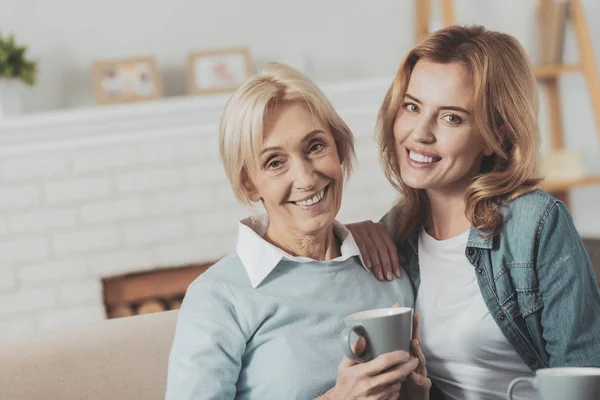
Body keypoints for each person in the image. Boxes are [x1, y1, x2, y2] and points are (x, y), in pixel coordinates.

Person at [349, 25, 600, 400]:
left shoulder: (535, 223)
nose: (420, 133)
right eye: (412, 106)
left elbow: (581, 374)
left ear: (493, 134)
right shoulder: (396, 232)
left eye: (451, 117)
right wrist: (342, 239)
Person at [165, 62, 428, 400]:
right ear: (248, 184)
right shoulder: (219, 296)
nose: (305, 178)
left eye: (315, 147)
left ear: (340, 147)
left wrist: (419, 393)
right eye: (275, 162)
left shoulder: (386, 264)